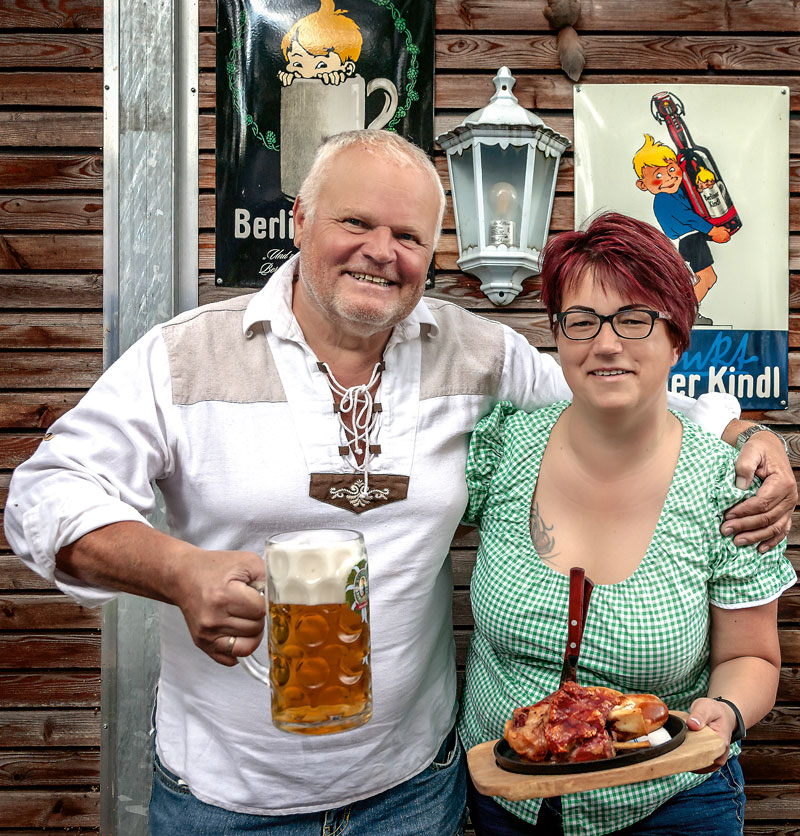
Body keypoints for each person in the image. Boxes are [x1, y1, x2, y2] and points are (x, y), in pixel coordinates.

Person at [3, 131, 794, 836]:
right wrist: (175, 570)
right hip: (227, 798)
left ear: (433, 252)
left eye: (408, 235)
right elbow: (44, 494)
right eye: (356, 223)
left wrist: (744, 431)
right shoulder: (185, 357)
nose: (382, 250)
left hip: (416, 791)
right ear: (300, 222)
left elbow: (615, 384)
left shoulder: (476, 355)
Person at [459, 212, 796, 836]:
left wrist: (724, 709)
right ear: (558, 338)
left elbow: (750, 654)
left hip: (668, 803)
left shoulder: (730, 485)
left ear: (676, 337)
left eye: (634, 318)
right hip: (506, 799)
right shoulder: (504, 444)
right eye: (581, 322)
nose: (605, 343)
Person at [634, 133, 730, 324]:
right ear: (642, 184)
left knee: (698, 279)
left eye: (671, 169)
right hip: (688, 241)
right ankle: (685, 315)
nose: (669, 177)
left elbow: (696, 205)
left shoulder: (677, 191)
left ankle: (687, 314)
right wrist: (712, 231)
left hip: (691, 239)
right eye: (658, 175)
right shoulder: (664, 199)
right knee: (707, 278)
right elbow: (689, 218)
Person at [278, 0, 361, 87]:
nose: (307, 75)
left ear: (348, 69)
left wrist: (339, 83)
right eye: (297, 64)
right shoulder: (290, 81)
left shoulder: (351, 85)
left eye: (321, 65)